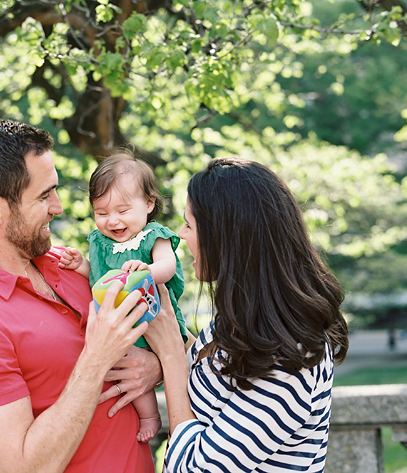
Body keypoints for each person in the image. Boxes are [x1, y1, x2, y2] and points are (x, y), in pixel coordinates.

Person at [0, 118, 161, 473]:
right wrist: (96, 358)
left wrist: (154, 367)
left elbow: (166, 332)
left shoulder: (72, 265)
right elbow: (25, 467)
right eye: (44, 195)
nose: (58, 207)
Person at [143, 157, 349, 473]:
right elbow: (208, 379)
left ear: (227, 238)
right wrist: (158, 357)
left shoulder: (292, 356)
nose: (181, 236)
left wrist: (170, 356)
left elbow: (194, 469)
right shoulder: (238, 322)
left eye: (190, 225)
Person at [59, 152, 188, 443]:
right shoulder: (99, 242)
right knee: (126, 365)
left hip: (152, 318)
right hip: (121, 322)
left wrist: (147, 270)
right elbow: (99, 277)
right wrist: (81, 266)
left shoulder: (154, 236)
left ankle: (153, 416)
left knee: (146, 367)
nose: (112, 220)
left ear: (149, 203)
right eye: (102, 213)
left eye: (122, 210)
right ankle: (146, 415)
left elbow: (167, 267)